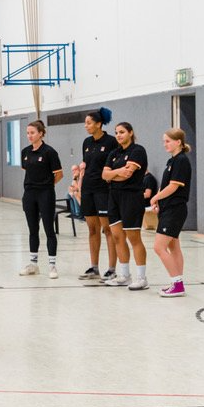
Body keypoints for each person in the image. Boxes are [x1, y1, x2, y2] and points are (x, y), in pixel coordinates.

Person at [101, 122, 150, 290]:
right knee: (117, 236)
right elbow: (104, 175)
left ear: (130, 132)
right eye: (116, 132)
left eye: (122, 132)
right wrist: (116, 173)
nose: (118, 135)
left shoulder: (138, 151)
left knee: (134, 238)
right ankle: (124, 275)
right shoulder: (114, 153)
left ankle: (141, 278)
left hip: (131, 196)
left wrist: (113, 174)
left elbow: (127, 176)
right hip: (113, 196)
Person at [149, 128, 193, 297]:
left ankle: (177, 284)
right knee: (174, 246)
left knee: (159, 247)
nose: (164, 144)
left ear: (178, 142)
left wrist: (154, 198)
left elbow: (173, 186)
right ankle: (177, 282)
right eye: (164, 141)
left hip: (175, 209)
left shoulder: (181, 160)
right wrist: (159, 201)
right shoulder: (172, 161)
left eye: (168, 141)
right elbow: (165, 184)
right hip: (168, 208)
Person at [78, 109, 120, 281]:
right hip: (88, 189)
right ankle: (94, 267)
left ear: (98, 124)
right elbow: (86, 165)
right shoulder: (86, 142)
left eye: (89, 123)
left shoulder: (111, 142)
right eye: (85, 123)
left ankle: (111, 268)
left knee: (108, 229)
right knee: (92, 229)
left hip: (104, 190)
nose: (86, 126)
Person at [18, 120, 63, 279]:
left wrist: (46, 186)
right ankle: (33, 264)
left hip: (46, 194)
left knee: (49, 229)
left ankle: (52, 266)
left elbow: (59, 174)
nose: (29, 136)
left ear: (41, 133)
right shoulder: (25, 152)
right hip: (29, 194)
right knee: (32, 229)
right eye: (28, 133)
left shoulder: (49, 152)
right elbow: (28, 170)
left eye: (33, 133)